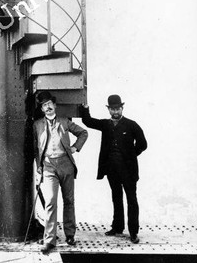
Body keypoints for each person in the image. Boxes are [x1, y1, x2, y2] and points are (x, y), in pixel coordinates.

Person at [80, 95, 147, 244]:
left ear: (122, 108)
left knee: (131, 200)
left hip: (128, 170)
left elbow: (143, 144)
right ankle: (117, 227)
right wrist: (84, 109)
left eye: (118, 108)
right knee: (116, 197)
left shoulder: (131, 125)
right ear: (109, 109)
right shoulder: (105, 124)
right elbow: (88, 121)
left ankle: (133, 232)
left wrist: (131, 155)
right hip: (111, 169)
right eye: (112, 109)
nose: (115, 111)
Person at [33, 91, 88, 254]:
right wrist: (39, 165)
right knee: (50, 201)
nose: (48, 107)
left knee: (69, 200)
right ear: (42, 109)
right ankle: (49, 240)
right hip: (49, 166)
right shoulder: (37, 125)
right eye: (44, 105)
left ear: (55, 105)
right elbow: (36, 147)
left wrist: (75, 147)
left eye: (50, 103)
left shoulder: (64, 121)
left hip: (66, 164)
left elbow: (83, 133)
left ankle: (70, 235)